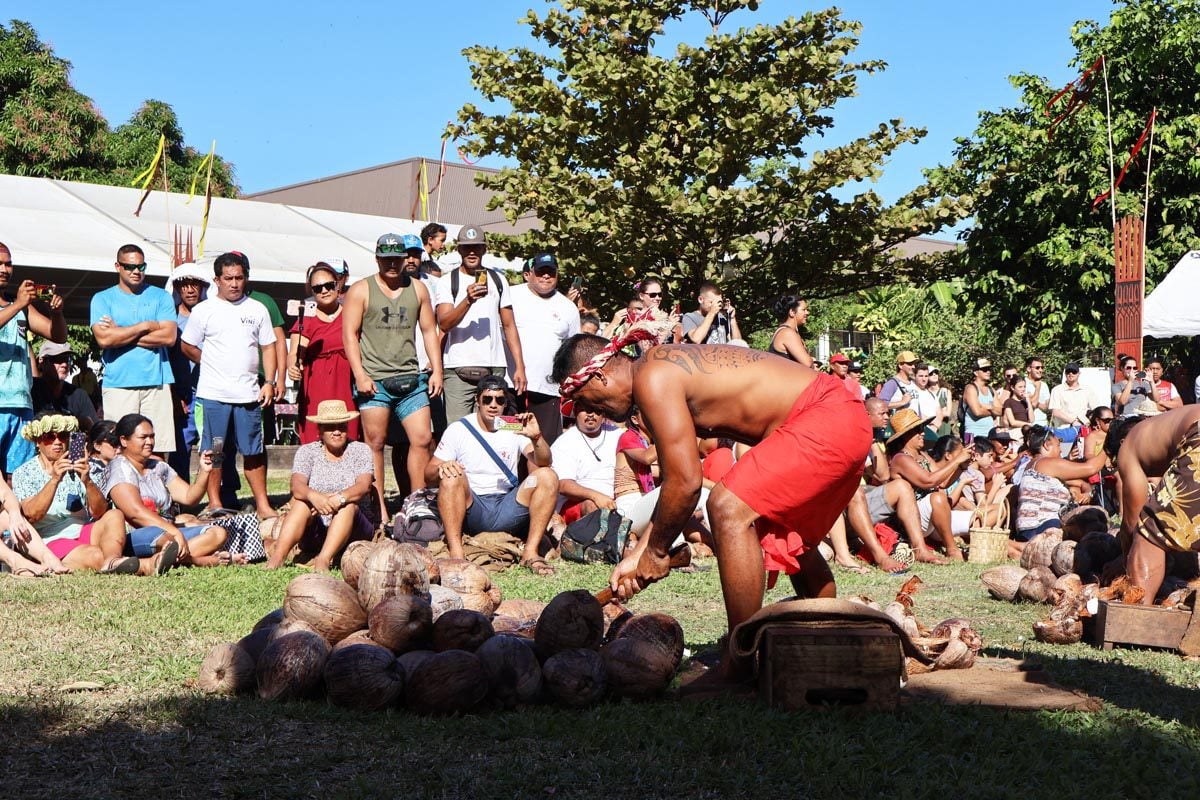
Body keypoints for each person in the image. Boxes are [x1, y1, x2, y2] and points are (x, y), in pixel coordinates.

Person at [551, 321, 872, 692]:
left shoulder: (653, 378)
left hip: (826, 415)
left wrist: (656, 551)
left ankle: (740, 662)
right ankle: (823, 619)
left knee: (727, 506)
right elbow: (675, 485)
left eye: (588, 401)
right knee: (767, 521)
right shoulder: (655, 370)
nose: (597, 413)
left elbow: (686, 485)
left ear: (598, 378)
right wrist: (639, 554)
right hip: (833, 414)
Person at [343, 233, 443, 521]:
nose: (392, 264)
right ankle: (380, 511)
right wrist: (360, 374)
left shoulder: (419, 289)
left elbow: (428, 331)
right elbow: (350, 334)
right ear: (377, 259)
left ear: (404, 259)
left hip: (411, 379)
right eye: (386, 259)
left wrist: (436, 369)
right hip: (375, 380)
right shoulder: (361, 290)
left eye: (397, 259)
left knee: (422, 439)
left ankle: (417, 503)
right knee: (375, 443)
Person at [425, 376, 559, 576]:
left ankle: (530, 552)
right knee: (452, 476)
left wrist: (536, 437)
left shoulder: (512, 426)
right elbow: (428, 474)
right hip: (473, 506)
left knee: (548, 476)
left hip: (507, 504)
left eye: (499, 400)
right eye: (487, 399)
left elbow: (544, 462)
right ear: (477, 401)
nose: (493, 405)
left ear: (506, 403)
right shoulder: (458, 429)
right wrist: (444, 466)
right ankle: (457, 553)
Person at [180, 252, 279, 520]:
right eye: (228, 279)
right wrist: (207, 361)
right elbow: (187, 344)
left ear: (246, 278)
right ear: (217, 280)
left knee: (254, 452)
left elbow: (269, 346)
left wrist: (269, 381)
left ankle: (263, 504)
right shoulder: (204, 310)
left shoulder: (257, 309)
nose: (234, 284)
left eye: (239, 278)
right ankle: (214, 503)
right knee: (215, 451)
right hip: (213, 396)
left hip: (249, 395)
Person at [11, 413, 144, 575]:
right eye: (49, 437)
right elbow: (32, 515)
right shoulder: (24, 472)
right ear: (38, 441)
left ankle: (112, 561)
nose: (58, 442)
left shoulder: (79, 466)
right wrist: (54, 480)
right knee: (95, 555)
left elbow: (99, 512)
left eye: (63, 436)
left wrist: (87, 480)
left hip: (83, 530)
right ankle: (149, 565)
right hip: (50, 538)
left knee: (115, 514)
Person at [104, 414, 231, 568]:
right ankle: (196, 560)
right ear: (124, 440)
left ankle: (167, 558)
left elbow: (189, 497)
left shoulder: (158, 466)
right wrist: (175, 533)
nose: (149, 442)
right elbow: (135, 512)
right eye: (143, 437)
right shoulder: (120, 467)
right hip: (137, 534)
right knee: (165, 538)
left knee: (218, 533)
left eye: (152, 437)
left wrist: (205, 471)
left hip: (168, 531)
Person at [1105, 408, 1200, 602]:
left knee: (1151, 531)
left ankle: (1137, 622)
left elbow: (1134, 522)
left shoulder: (1128, 448)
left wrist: (1126, 561)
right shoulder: (1159, 428)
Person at [90, 244, 177, 454]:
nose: (136, 271)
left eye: (141, 266)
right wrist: (144, 326)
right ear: (117, 266)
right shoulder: (102, 299)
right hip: (118, 382)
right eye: (129, 266)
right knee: (119, 450)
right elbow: (104, 339)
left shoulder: (161, 297)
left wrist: (120, 333)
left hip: (157, 381)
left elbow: (169, 336)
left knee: (155, 450)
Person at [266, 401, 374, 571]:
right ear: (320, 430)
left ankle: (323, 559)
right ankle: (278, 557)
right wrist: (314, 497)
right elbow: (297, 485)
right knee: (301, 503)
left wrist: (339, 499)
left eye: (342, 426)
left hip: (354, 527)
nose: (337, 431)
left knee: (348, 506)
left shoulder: (360, 450)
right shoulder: (307, 451)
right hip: (316, 526)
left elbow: (364, 485)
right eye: (331, 427)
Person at [436, 223, 527, 423]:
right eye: (466, 247)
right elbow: (444, 324)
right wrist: (467, 300)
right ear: (459, 249)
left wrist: (519, 366)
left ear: (484, 249)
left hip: (494, 366)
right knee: (458, 430)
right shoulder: (447, 281)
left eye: (476, 247)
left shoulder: (499, 280)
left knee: (494, 428)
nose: (471, 252)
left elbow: (509, 325)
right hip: (457, 366)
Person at [0, 241, 67, 476]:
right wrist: (19, 303)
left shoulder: (21, 308)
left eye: (8, 264)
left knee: (16, 475)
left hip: (20, 403)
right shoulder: (18, 305)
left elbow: (57, 336)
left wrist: (56, 313)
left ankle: (13, 515)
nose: (4, 269)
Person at [507, 252, 580, 444]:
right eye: (541, 272)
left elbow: (572, 351)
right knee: (508, 437)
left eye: (551, 272)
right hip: (510, 387)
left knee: (543, 444)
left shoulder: (568, 307)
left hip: (549, 391)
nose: (546, 276)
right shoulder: (510, 295)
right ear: (530, 273)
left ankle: (539, 475)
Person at [885, 408, 970, 564]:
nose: (922, 433)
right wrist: (956, 461)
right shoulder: (900, 458)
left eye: (922, 428)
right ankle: (952, 549)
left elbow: (942, 482)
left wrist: (962, 466)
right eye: (918, 430)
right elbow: (929, 481)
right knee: (938, 497)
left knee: (978, 514)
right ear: (906, 435)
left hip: (929, 514)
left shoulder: (922, 455)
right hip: (910, 520)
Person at [289, 264, 359, 444]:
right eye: (318, 288)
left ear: (338, 284)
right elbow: (296, 352)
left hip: (347, 383)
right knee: (315, 438)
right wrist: (293, 366)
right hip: (317, 384)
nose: (324, 291)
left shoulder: (353, 313)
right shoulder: (307, 317)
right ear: (311, 291)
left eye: (329, 285)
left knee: (348, 435)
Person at [1015, 425, 1106, 546]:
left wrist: (1087, 491)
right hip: (1043, 527)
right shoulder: (1046, 463)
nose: (1061, 451)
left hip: (1027, 530)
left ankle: (1021, 546)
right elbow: (1091, 468)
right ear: (1047, 445)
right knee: (1095, 520)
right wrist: (1108, 447)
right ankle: (1022, 547)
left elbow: (1080, 483)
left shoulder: (1033, 465)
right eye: (1058, 446)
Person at [166, 263, 210, 479]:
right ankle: (180, 498)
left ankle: (223, 496)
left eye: (195, 284)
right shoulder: (170, 320)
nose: (190, 289)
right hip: (183, 395)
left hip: (212, 391)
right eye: (184, 285)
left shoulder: (213, 314)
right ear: (176, 288)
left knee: (217, 446)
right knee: (180, 448)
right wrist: (174, 395)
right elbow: (164, 360)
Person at [551, 407, 620, 523]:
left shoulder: (617, 433)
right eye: (584, 409)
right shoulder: (565, 441)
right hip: (579, 502)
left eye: (596, 410)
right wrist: (596, 496)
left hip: (618, 498)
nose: (591, 414)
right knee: (592, 506)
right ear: (575, 412)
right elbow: (563, 485)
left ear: (603, 414)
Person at [31, 342, 97, 430]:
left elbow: (95, 430)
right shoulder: (31, 390)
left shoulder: (79, 395)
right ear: (42, 361)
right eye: (58, 359)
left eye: (67, 359)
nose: (64, 365)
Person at [1049, 362, 1091, 452]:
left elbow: (1095, 409)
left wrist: (1086, 422)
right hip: (1063, 431)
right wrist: (1073, 421)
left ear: (1079, 374)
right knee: (1064, 456)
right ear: (1065, 374)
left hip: (1082, 430)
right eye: (1068, 372)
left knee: (1080, 456)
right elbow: (1055, 411)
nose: (1071, 374)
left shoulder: (1087, 390)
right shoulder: (1057, 390)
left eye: (1074, 371)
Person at [767, 295, 814, 366]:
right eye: (804, 310)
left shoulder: (788, 332)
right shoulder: (787, 333)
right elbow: (808, 363)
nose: (807, 313)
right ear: (792, 312)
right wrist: (812, 361)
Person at [909, 362, 944, 434]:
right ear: (914, 376)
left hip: (933, 432)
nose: (924, 379)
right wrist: (931, 422)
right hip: (918, 432)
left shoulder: (932, 394)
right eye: (921, 376)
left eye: (926, 376)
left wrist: (935, 426)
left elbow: (939, 412)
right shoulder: (910, 391)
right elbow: (913, 412)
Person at [999, 375, 1033, 442]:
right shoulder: (1008, 402)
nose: (1023, 389)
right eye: (1020, 387)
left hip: (1026, 432)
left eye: (1024, 387)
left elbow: (1031, 419)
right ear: (1012, 387)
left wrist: (1028, 401)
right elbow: (1012, 422)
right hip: (1015, 433)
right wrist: (1028, 424)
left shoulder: (1024, 402)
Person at [1024, 357, 1052, 426]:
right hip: (1029, 424)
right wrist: (1038, 388)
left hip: (1044, 424)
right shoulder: (1023, 384)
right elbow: (1033, 404)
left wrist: (1037, 403)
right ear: (1029, 369)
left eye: (1042, 367)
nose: (1040, 370)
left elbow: (1047, 408)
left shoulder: (1044, 385)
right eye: (1037, 367)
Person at [928, 367, 953, 436]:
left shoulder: (945, 392)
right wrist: (942, 411)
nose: (934, 375)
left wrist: (932, 413)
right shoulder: (925, 393)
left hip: (944, 426)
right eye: (931, 373)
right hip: (930, 427)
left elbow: (948, 413)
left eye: (936, 372)